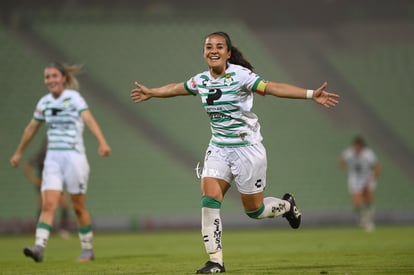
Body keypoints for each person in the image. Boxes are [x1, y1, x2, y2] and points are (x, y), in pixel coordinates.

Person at [130, 31, 339, 274]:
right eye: (209, 47)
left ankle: (286, 206)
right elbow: (177, 88)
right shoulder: (201, 80)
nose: (213, 50)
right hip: (218, 148)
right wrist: (152, 92)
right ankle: (216, 262)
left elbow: (272, 87)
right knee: (209, 199)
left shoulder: (241, 76)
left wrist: (311, 94)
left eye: (219, 46)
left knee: (255, 211)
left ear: (228, 53)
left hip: (247, 150)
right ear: (204, 52)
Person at [10, 62, 111, 263]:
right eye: (47, 77)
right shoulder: (44, 102)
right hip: (53, 159)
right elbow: (31, 128)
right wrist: (18, 152)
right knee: (48, 204)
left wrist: (102, 142)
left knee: (78, 206)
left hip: (74, 157)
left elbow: (89, 119)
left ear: (63, 78)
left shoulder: (73, 98)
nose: (51, 80)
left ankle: (87, 249)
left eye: (54, 76)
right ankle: (39, 247)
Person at [23, 138, 71, 239]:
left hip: (56, 184)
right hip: (43, 184)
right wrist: (34, 179)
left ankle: (63, 229)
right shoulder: (40, 157)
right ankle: (40, 231)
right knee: (43, 207)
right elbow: (27, 165)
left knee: (64, 205)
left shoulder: (56, 157)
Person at [339, 136, 381, 232]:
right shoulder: (349, 153)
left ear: (361, 146)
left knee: (368, 200)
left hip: (367, 177)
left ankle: (368, 220)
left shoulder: (368, 154)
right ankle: (365, 218)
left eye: (358, 146)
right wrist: (342, 165)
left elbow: (377, 166)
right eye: (355, 146)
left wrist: (372, 178)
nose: (356, 148)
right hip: (355, 179)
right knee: (357, 202)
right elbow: (342, 161)